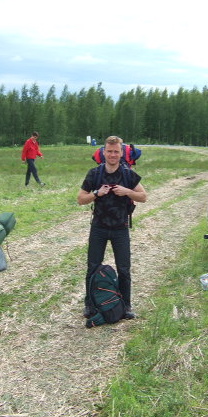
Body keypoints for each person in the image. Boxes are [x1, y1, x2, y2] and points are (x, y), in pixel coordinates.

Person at [77, 136, 147, 319]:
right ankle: (90, 305)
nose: (113, 155)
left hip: (120, 228)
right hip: (99, 227)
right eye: (109, 151)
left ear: (121, 153)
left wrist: (128, 192)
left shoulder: (128, 174)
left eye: (116, 151)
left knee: (124, 269)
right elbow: (80, 199)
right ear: (104, 152)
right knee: (92, 267)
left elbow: (144, 196)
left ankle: (126, 306)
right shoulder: (95, 174)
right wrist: (96, 193)